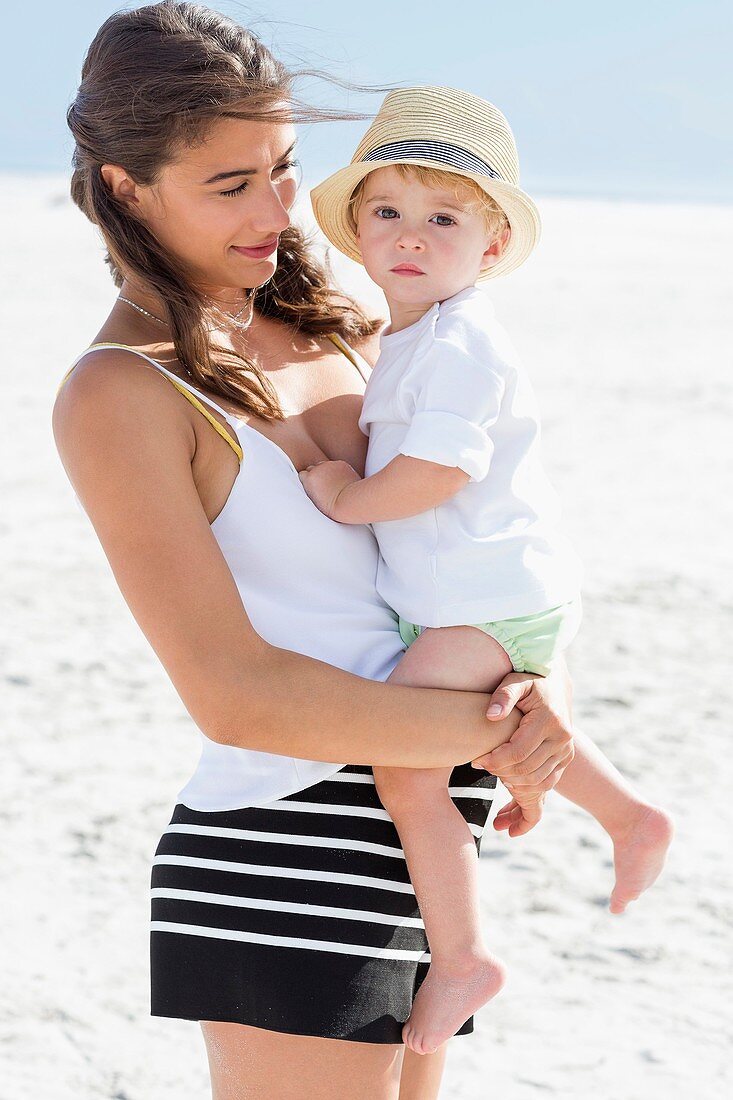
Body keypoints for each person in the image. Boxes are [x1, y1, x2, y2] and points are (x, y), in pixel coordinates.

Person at [53, 5, 600, 1099]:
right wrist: (492, 733)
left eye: (285, 168)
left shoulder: (356, 329)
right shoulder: (118, 392)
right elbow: (236, 695)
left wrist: (538, 693)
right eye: (230, 184)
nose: (276, 210)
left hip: (421, 838)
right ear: (125, 186)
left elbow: (473, 546)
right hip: (281, 841)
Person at [303, 87, 675, 1056]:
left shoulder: (463, 338)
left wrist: (349, 498)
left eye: (443, 217)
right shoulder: (413, 337)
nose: (410, 237)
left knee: (405, 770)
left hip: (486, 599)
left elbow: (438, 469)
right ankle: (629, 816)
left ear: (492, 244)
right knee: (498, 728)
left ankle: (463, 954)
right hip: (492, 597)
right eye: (387, 212)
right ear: (355, 231)